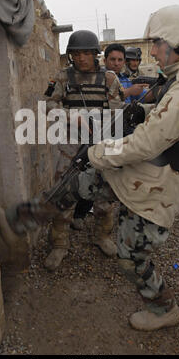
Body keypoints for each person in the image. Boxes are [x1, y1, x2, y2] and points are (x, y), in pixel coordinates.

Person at [86, 5, 179, 330]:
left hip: (159, 183)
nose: (154, 50)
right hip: (152, 174)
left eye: (158, 42)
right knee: (93, 190)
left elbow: (146, 144)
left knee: (131, 255)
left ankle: (164, 310)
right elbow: (169, 116)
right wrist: (145, 110)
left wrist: (99, 153)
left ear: (174, 42)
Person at [44, 30, 125, 271]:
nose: (81, 58)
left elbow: (118, 112)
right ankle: (59, 244)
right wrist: (73, 117)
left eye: (86, 53)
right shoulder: (62, 78)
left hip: (101, 143)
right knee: (63, 192)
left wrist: (97, 123)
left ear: (95, 54)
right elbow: (48, 105)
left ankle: (102, 236)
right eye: (76, 54)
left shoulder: (110, 79)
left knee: (104, 195)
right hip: (70, 144)